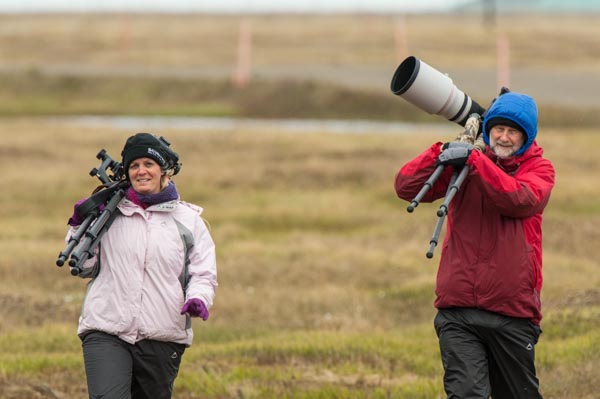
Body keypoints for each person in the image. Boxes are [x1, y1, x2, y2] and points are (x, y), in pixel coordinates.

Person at [394, 91, 555, 398]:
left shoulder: (539, 170)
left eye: (513, 132)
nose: (504, 137)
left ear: (527, 137)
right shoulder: (465, 161)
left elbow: (519, 199)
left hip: (513, 314)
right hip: (458, 311)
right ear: (487, 129)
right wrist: (442, 150)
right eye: (498, 129)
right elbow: (405, 186)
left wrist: (476, 161)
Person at [65, 132, 218, 399]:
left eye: (149, 164)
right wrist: (80, 223)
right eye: (134, 166)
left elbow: (203, 272)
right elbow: (85, 266)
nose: (141, 171)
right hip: (106, 328)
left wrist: (198, 298)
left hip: (163, 333)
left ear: (163, 171)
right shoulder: (108, 214)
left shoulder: (189, 220)